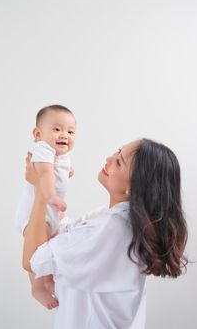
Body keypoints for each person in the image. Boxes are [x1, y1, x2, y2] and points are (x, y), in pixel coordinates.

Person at [22, 139, 188, 328]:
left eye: (119, 162)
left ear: (134, 187)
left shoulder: (112, 230)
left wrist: (40, 192)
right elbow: (62, 229)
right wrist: (53, 183)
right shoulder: (118, 220)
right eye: (117, 152)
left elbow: (32, 260)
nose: (109, 158)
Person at [16, 104, 76, 309]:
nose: (64, 135)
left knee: (48, 248)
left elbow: (56, 170)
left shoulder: (58, 154)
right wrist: (51, 196)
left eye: (70, 131)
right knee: (37, 250)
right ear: (38, 133)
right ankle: (37, 287)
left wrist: (66, 170)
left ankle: (47, 279)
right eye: (57, 129)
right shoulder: (42, 148)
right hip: (35, 210)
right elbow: (44, 174)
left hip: (50, 211)